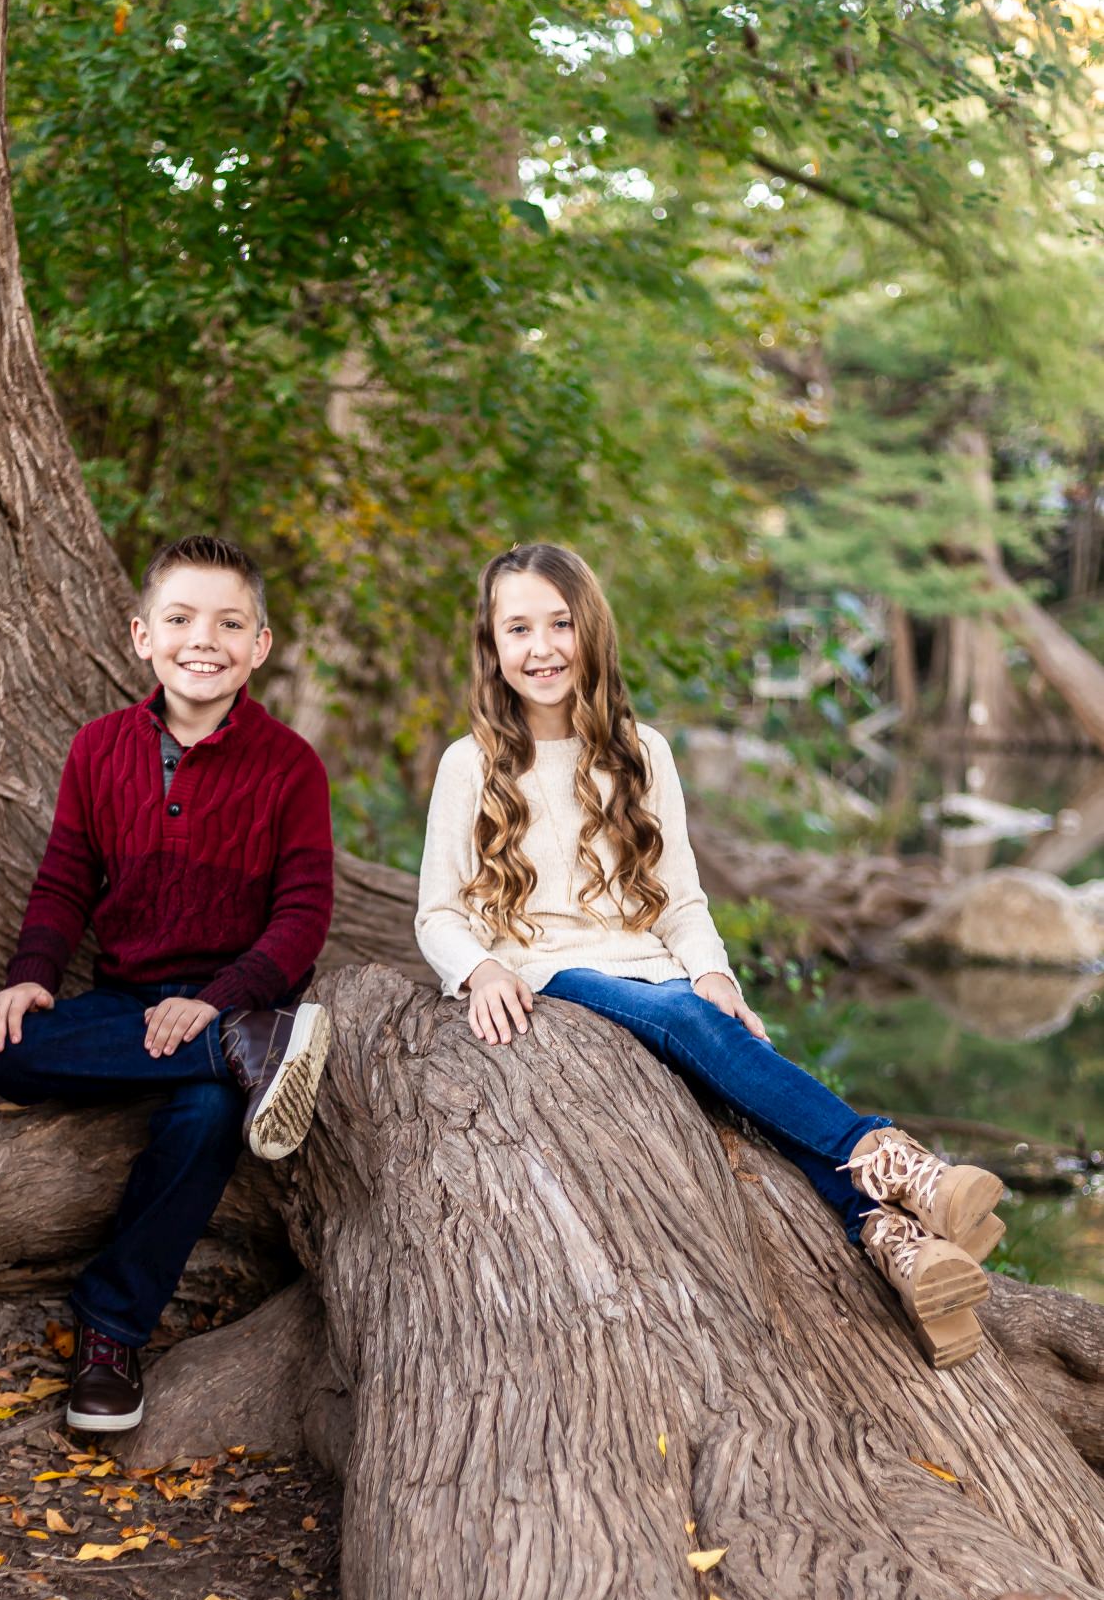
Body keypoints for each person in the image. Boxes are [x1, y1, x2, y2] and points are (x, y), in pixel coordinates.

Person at [414, 542, 1004, 1370]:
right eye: (518, 628)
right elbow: (437, 914)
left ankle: (899, 1247)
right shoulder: (469, 763)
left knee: (745, 1083)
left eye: (559, 624)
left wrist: (715, 974)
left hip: (655, 976)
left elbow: (681, 901)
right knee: (681, 1014)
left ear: (590, 632)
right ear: (491, 642)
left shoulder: (640, 751)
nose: (541, 648)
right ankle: (892, 1160)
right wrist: (479, 969)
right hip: (551, 975)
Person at [0, 534, 334, 1431]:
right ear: (143, 636)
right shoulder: (98, 749)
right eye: (179, 619)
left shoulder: (289, 765)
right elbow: (64, 882)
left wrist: (217, 1003)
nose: (202, 639)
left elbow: (303, 916)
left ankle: (109, 1333)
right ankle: (240, 1055)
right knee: (3, 1051)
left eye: (229, 623)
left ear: (259, 645)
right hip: (128, 1001)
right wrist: (30, 977)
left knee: (207, 1119)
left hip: (232, 994)